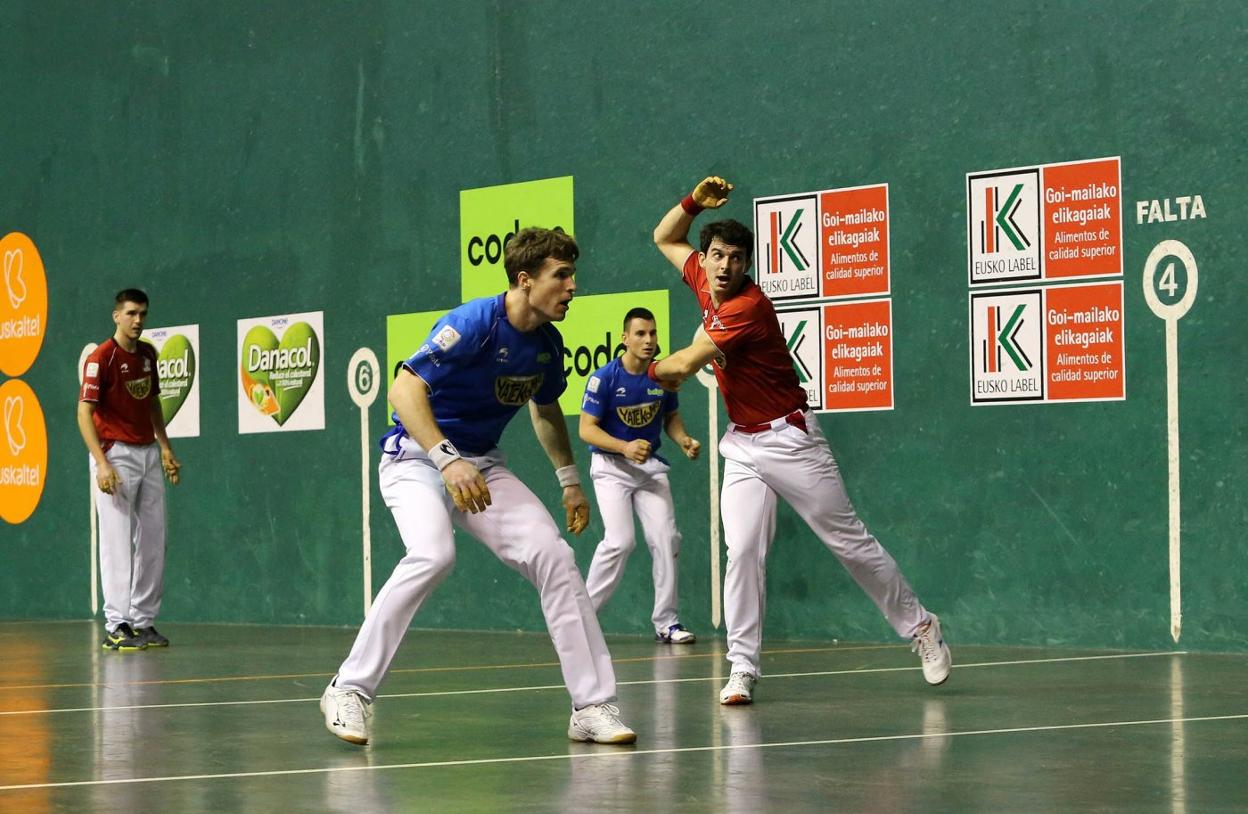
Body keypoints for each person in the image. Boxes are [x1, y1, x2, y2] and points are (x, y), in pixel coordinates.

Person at [321, 227, 636, 746]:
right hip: (417, 459)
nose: (572, 286)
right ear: (524, 279)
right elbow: (404, 390)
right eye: (561, 275)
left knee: (554, 555)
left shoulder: (546, 345)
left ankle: (592, 705)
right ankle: (349, 688)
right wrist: (447, 460)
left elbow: (546, 408)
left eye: (572, 275)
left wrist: (570, 480)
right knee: (432, 553)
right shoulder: (472, 323)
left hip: (482, 468)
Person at [648, 177, 951, 705]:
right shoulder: (704, 281)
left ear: (747, 267)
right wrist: (693, 202)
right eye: (717, 256)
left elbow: (682, 365)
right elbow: (665, 237)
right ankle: (742, 667)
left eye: (736, 259)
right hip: (743, 444)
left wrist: (638, 367)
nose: (724, 267)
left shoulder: (748, 308)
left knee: (849, 544)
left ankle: (922, 626)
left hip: (792, 442)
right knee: (741, 550)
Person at [579, 307, 701, 645]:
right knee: (620, 541)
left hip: (649, 469)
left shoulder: (660, 377)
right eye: (640, 334)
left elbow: (670, 418)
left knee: (666, 538)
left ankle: (667, 622)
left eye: (652, 333)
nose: (648, 340)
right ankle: (581, 620)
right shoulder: (604, 379)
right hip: (610, 467)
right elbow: (587, 430)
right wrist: (623, 446)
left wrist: (684, 440)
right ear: (625, 338)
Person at [78, 289, 181, 652]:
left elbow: (153, 404)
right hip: (114, 455)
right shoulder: (102, 358)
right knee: (118, 539)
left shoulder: (149, 355)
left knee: (154, 537)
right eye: (132, 313)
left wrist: (165, 447)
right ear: (116, 316)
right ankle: (117, 622)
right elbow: (84, 413)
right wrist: (102, 463)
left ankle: (143, 620)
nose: (139, 320)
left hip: (147, 453)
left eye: (143, 314)